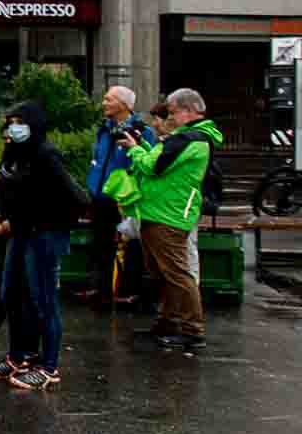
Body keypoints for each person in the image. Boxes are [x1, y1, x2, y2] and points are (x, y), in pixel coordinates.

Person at [0, 99, 84, 391]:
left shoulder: (46, 155)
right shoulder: (12, 154)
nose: (14, 128)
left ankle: (49, 366)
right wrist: (0, 214)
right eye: (11, 123)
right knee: (10, 293)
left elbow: (75, 196)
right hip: (21, 232)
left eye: (19, 122)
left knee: (43, 300)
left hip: (45, 234)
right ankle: (18, 356)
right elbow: (2, 188)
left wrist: (51, 219)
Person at [121, 88, 222, 353]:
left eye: (173, 112)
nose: (170, 118)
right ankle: (168, 322)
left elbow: (153, 166)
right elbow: (159, 162)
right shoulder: (189, 138)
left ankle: (191, 330)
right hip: (163, 212)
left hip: (168, 215)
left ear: (188, 111)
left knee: (176, 274)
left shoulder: (189, 138)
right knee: (165, 273)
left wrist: (134, 150)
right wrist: (144, 148)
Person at [76, 86, 155, 307]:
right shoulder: (104, 129)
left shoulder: (141, 131)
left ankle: (128, 290)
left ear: (124, 104)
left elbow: (147, 162)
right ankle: (99, 288)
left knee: (126, 245)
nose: (103, 103)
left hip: (124, 199)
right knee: (99, 243)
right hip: (100, 196)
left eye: (108, 99)